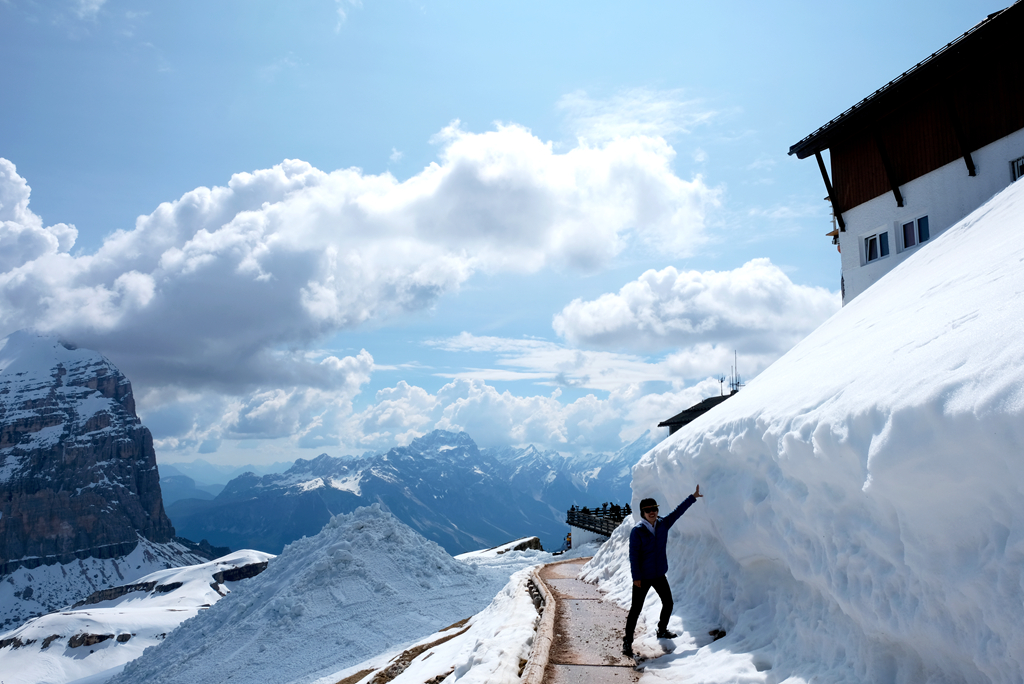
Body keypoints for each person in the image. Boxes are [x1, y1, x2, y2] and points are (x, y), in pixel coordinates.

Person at [622, 485, 703, 657]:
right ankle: (627, 641)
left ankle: (662, 630)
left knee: (669, 603)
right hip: (642, 578)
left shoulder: (662, 524)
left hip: (658, 574)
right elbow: (633, 556)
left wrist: (693, 497)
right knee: (636, 609)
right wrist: (636, 577)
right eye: (648, 509)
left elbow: (677, 512)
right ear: (642, 512)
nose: (652, 512)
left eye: (654, 509)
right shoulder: (637, 531)